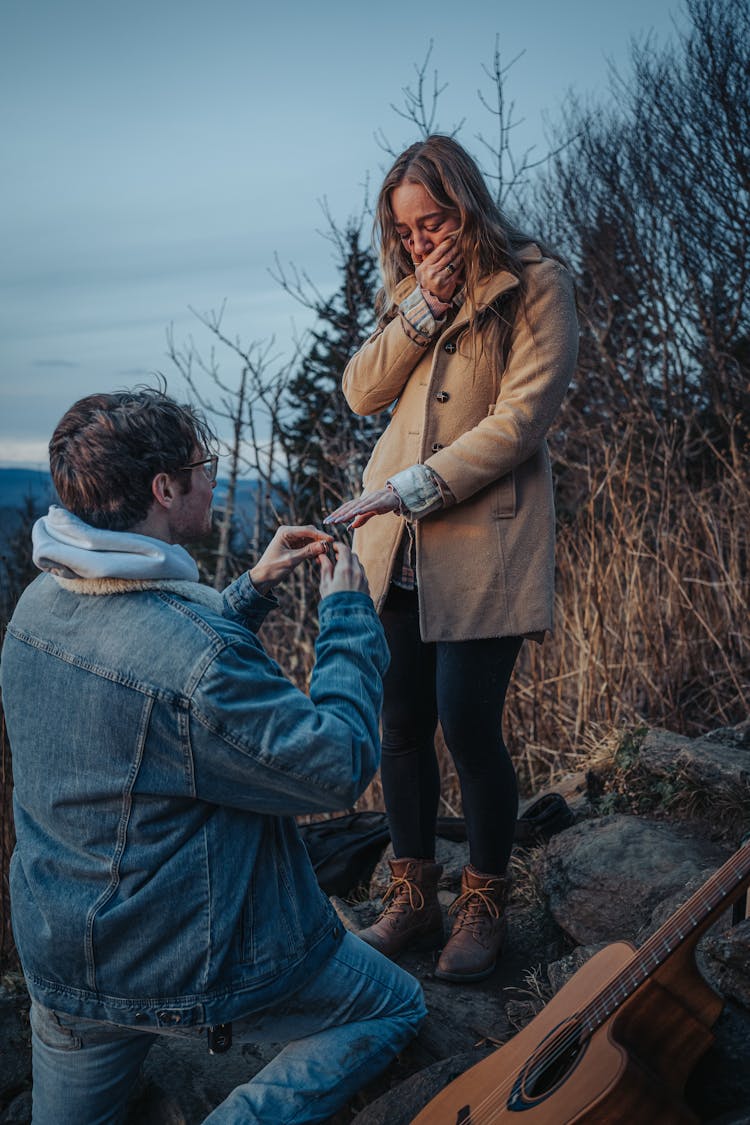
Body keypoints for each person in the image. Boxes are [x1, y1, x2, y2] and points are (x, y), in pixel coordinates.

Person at [0, 388, 425, 1125]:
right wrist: (350, 613)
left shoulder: (39, 604)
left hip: (63, 960)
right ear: (164, 489)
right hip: (187, 967)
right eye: (203, 467)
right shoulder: (196, 662)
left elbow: (146, 677)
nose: (213, 478)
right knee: (391, 1006)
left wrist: (250, 591)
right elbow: (338, 762)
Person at [325, 135, 579, 983]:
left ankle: (484, 899)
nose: (421, 241)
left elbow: (522, 421)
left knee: (470, 727)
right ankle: (412, 894)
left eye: (433, 222)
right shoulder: (412, 294)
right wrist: (417, 310)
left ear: (466, 204)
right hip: (391, 546)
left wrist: (415, 485)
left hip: (482, 543)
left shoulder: (536, 281)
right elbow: (361, 391)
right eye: (405, 231)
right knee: (398, 727)